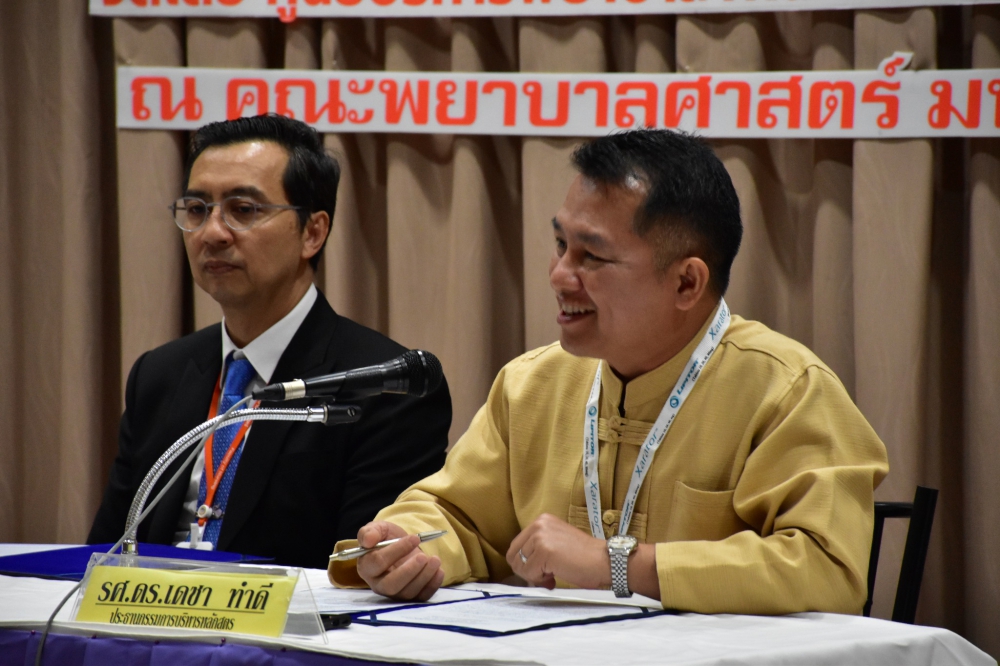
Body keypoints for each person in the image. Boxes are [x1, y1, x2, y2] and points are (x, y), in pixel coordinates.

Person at [329, 129, 889, 615]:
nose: (558, 275)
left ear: (687, 282)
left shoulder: (787, 389)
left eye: (591, 256)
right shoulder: (531, 384)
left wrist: (618, 564)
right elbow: (455, 515)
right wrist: (407, 546)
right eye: (560, 244)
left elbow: (828, 567)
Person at [88, 114, 451, 569]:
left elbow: (363, 575)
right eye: (197, 209)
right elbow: (103, 553)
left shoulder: (385, 387)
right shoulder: (159, 375)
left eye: (243, 210)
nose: (212, 233)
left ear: (312, 232)